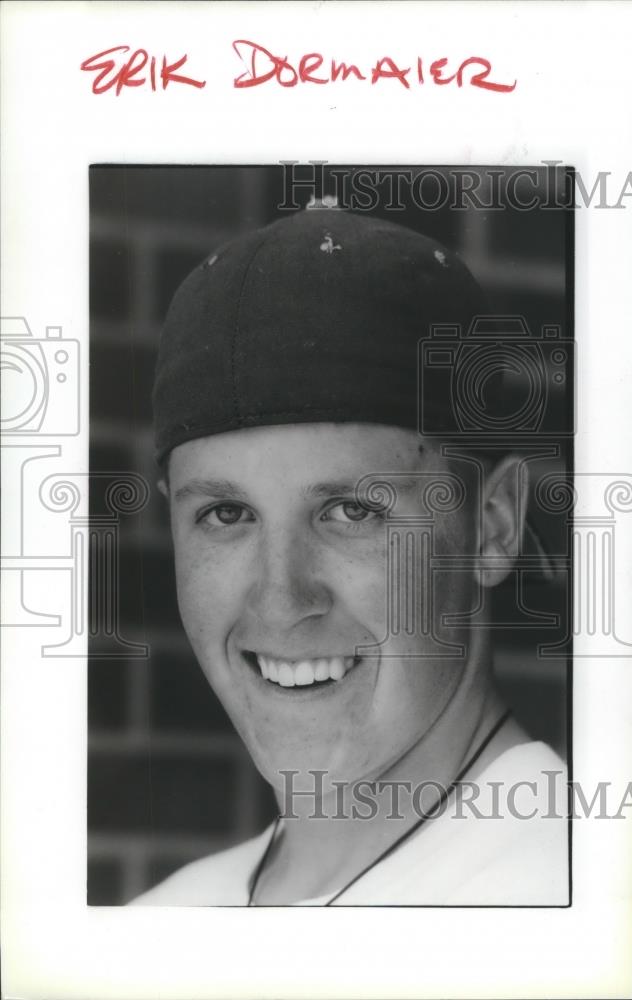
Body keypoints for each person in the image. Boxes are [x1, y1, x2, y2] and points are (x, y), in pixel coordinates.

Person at [132, 206, 568, 906]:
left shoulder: (573, 903)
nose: (280, 600)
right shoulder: (160, 923)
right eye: (226, 513)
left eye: (351, 512)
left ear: (492, 526)